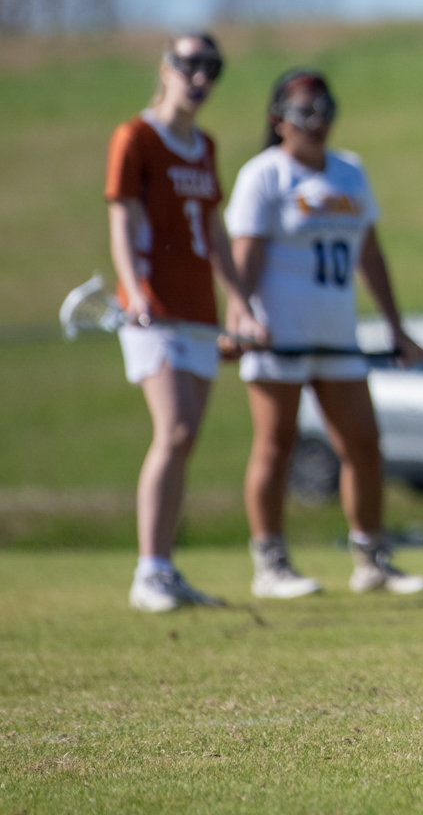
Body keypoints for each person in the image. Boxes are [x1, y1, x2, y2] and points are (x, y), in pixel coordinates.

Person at [225, 67, 423, 598]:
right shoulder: (264, 176)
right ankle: (270, 562)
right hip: (280, 336)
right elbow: (242, 257)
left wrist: (396, 327)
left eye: (325, 110)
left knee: (364, 443)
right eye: (304, 112)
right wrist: (238, 317)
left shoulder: (350, 171)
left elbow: (369, 251)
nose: (317, 122)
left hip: (336, 334)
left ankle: (371, 558)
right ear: (278, 119)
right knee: (277, 445)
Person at [105, 31, 265, 612]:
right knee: (172, 431)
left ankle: (165, 567)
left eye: (212, 68)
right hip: (153, 311)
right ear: (166, 67)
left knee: (187, 438)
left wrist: (239, 301)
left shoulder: (204, 146)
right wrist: (137, 290)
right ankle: (148, 570)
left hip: (197, 311)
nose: (201, 78)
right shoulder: (136, 137)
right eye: (191, 65)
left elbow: (214, 233)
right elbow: (123, 220)